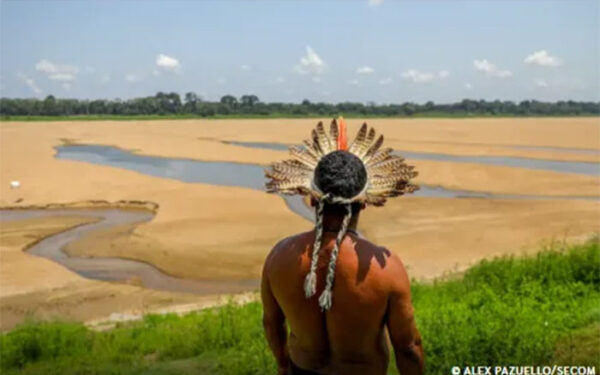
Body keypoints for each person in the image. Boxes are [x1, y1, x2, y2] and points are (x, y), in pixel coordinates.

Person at [262, 118, 424, 375]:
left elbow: (272, 324)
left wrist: (283, 366)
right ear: (364, 203)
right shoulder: (387, 269)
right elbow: (408, 346)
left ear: (313, 200)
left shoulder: (280, 257)